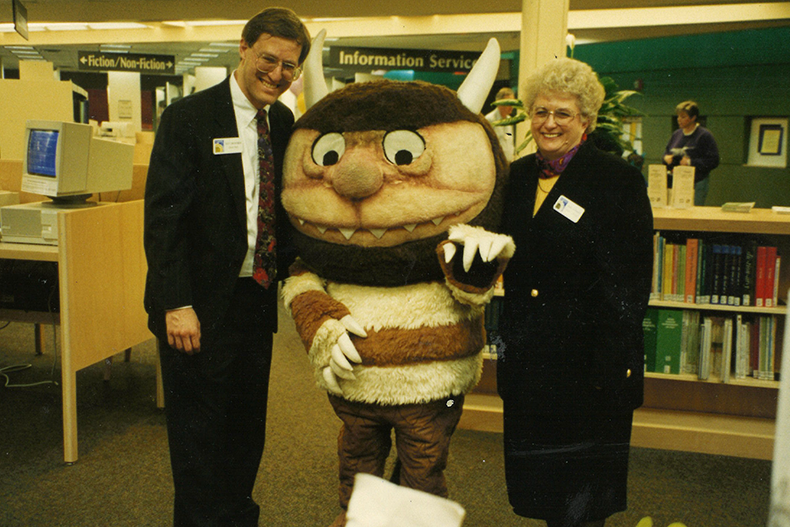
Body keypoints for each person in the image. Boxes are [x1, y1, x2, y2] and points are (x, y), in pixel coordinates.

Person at [143, 8, 310, 526]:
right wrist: (176, 303)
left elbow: (282, 212)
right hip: (196, 307)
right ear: (242, 48)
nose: (277, 74)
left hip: (254, 301)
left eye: (290, 67)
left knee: (245, 430)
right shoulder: (190, 117)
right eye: (268, 59)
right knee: (198, 439)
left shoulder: (281, 122)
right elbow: (163, 218)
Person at [496, 58, 654, 527]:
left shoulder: (616, 180)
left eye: (562, 113)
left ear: (585, 120)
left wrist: (606, 365)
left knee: (582, 504)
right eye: (541, 111)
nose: (549, 123)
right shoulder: (518, 177)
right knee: (543, 495)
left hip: (589, 369)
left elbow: (629, 287)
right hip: (529, 361)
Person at [662, 100, 720, 206]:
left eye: (683, 117)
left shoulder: (704, 135)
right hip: (676, 182)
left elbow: (714, 161)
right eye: (678, 116)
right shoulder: (676, 134)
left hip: (696, 183)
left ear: (693, 118)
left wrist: (690, 162)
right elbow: (666, 153)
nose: (679, 119)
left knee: (694, 214)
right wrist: (666, 159)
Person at [485, 86, 517, 162]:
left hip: (509, 163)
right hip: (496, 165)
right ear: (499, 103)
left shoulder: (509, 120)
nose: (511, 106)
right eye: (508, 103)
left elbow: (509, 140)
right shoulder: (489, 120)